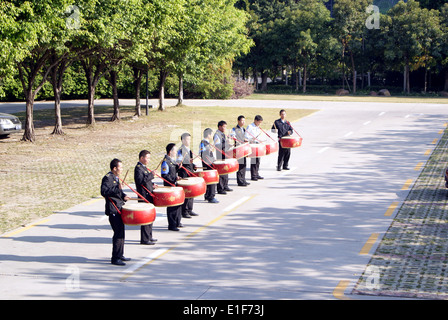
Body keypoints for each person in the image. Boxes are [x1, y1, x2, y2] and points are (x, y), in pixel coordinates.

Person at [101, 158, 131, 266]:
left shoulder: (116, 178)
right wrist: (117, 189)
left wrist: (124, 196)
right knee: (118, 233)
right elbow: (104, 192)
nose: (121, 169)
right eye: (120, 167)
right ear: (114, 168)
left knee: (121, 232)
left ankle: (120, 254)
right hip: (113, 209)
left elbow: (118, 192)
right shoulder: (108, 178)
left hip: (119, 208)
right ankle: (115, 258)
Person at [134, 150, 158, 245]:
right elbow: (140, 181)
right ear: (141, 158)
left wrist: (152, 185)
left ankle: (149, 236)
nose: (148, 160)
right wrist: (151, 175)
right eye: (147, 158)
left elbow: (146, 181)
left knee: (150, 217)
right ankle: (144, 238)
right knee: (145, 217)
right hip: (143, 196)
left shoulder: (143, 168)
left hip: (148, 194)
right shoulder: (138, 168)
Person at [161, 143, 183, 231]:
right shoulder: (165, 162)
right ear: (170, 151)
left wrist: (178, 167)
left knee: (177, 203)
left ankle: (177, 221)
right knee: (171, 205)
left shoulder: (172, 160)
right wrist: (174, 178)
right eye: (175, 150)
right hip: (169, 186)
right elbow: (165, 175)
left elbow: (173, 170)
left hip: (174, 185)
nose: (176, 152)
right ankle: (172, 224)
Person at [177, 132, 198, 218]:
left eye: (190, 139)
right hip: (184, 173)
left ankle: (190, 209)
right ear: (183, 140)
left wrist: (193, 165)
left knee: (191, 191)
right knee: (186, 193)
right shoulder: (180, 150)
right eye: (187, 139)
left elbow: (190, 161)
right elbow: (179, 162)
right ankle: (184, 211)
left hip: (190, 172)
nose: (189, 141)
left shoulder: (188, 149)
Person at [230, 115, 250, 186]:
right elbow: (232, 136)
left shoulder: (243, 129)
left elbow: (245, 138)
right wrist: (235, 138)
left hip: (243, 149)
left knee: (244, 165)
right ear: (238, 121)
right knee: (240, 165)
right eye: (242, 120)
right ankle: (240, 181)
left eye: (244, 121)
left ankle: (243, 179)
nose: (243, 122)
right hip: (238, 150)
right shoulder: (234, 129)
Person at [200, 128, 219, 203]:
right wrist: (209, 149)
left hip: (210, 162)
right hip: (207, 163)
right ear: (208, 135)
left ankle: (208, 195)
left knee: (209, 180)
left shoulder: (207, 143)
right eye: (211, 134)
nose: (211, 136)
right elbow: (202, 152)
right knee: (211, 180)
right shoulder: (203, 143)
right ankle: (210, 196)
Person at [214, 120, 233, 194]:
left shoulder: (222, 134)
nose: (225, 128)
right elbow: (217, 145)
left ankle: (225, 185)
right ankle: (220, 188)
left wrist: (228, 145)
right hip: (220, 155)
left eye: (225, 127)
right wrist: (226, 143)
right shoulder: (217, 135)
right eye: (224, 126)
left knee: (226, 170)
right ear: (219, 127)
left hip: (224, 154)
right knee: (221, 172)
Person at [246, 115, 265, 181]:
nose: (259, 124)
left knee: (258, 160)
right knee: (253, 161)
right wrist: (252, 139)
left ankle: (257, 173)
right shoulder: (250, 127)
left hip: (258, 144)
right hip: (253, 144)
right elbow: (246, 136)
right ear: (255, 120)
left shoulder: (258, 127)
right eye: (258, 122)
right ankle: (253, 175)